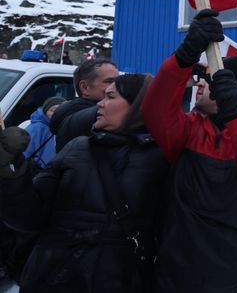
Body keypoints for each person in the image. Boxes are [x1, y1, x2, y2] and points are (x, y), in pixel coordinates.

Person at [143, 9, 237, 293]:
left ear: (235, 91)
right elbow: (154, 111)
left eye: (210, 78)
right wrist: (182, 59)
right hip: (178, 279)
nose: (200, 82)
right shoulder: (190, 128)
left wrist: (236, 116)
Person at [0, 73, 169, 292]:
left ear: (138, 105)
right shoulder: (78, 147)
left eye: (110, 96)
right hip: (52, 277)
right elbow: (28, 218)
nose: (100, 103)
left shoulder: (163, 159)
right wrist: (13, 173)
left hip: (119, 281)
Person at [49, 58, 119, 151]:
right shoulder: (76, 116)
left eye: (118, 81)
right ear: (85, 87)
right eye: (109, 81)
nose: (118, 86)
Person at [22, 96, 64, 168]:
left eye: (62, 110)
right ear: (45, 112)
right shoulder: (35, 128)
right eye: (53, 110)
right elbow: (25, 154)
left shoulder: (65, 127)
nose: (58, 113)